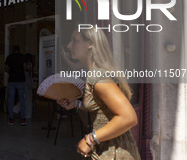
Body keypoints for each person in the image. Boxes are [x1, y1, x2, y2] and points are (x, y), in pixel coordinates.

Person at [57, 27, 140, 159]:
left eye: (75, 40)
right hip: (110, 147)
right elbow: (103, 107)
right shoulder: (95, 74)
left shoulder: (97, 77)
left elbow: (129, 117)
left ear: (90, 44)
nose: (69, 45)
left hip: (114, 151)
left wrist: (89, 140)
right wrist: (76, 104)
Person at [5, 45, 27, 125]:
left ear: (13, 50)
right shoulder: (22, 57)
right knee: (22, 99)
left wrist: (11, 72)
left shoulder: (9, 57)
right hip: (21, 79)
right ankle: (23, 119)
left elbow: (6, 68)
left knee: (11, 100)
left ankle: (11, 119)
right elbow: (24, 67)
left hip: (12, 80)